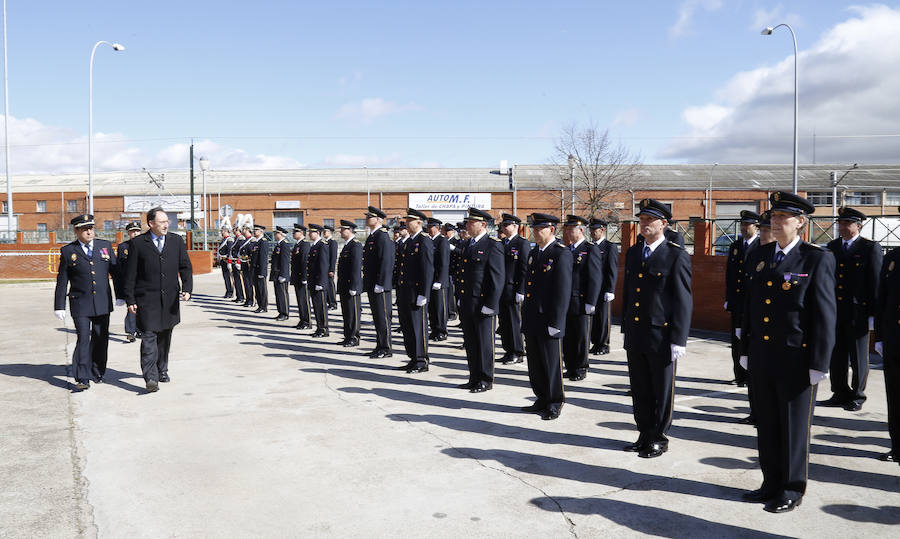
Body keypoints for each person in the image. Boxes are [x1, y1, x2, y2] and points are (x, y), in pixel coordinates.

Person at [739, 191, 836, 513]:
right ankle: (770, 482)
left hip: (797, 357)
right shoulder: (760, 255)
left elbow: (823, 314)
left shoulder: (816, 258)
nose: (775, 222)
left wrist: (820, 362)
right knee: (766, 423)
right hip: (763, 354)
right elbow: (751, 306)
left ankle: (792, 488)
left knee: (793, 427)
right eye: (773, 217)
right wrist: (745, 348)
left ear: (801, 223)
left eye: (783, 218)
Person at [621, 199, 692, 459]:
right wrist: (626, 327)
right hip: (637, 332)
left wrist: (679, 339)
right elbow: (630, 293)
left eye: (650, 220)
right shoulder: (634, 252)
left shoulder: (675, 254)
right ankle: (643, 433)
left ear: (664, 224)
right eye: (642, 219)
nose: (644, 224)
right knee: (640, 388)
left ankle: (658, 437)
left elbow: (683, 299)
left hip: (661, 335)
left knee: (661, 390)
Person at [123, 207, 193, 393]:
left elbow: (185, 266)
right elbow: (130, 275)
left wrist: (187, 288)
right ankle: (151, 377)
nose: (166, 224)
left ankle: (162, 369)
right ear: (151, 224)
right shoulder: (138, 243)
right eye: (161, 222)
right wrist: (130, 299)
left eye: (166, 221)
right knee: (148, 337)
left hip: (169, 299)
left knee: (164, 337)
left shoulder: (176, 241)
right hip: (147, 300)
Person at [821, 206, 882, 412]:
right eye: (841, 223)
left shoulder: (869, 248)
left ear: (858, 226)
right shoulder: (832, 246)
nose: (843, 226)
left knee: (858, 357)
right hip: (835, 311)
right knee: (836, 354)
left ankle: (857, 395)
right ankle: (839, 392)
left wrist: (873, 314)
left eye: (847, 223)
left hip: (858, 313)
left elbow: (874, 282)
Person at [54, 214, 122, 390]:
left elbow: (116, 273)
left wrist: (121, 295)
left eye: (91, 228)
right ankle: (82, 377)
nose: (89, 231)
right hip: (80, 303)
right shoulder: (68, 251)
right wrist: (59, 305)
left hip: (102, 301)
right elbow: (62, 280)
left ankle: (98, 370)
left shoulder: (104, 246)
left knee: (101, 338)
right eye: (84, 229)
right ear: (76, 231)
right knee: (83, 338)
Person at [521, 213, 572, 420]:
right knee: (535, 362)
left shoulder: (561, 253)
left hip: (549, 318)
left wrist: (556, 322)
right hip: (533, 316)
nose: (534, 232)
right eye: (533, 229)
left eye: (538, 229)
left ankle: (554, 401)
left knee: (551, 363)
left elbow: (562, 291)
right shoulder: (535, 253)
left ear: (551, 230)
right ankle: (541, 397)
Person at [457, 207, 504, 392]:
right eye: (468, 222)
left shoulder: (493, 245)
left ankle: (485, 379)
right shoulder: (469, 244)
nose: (467, 225)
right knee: (471, 342)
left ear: (483, 224)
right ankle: (473, 376)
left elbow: (496, 278)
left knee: (484, 344)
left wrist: (491, 304)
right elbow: (465, 275)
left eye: (471, 222)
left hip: (483, 304)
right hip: (468, 302)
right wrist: (460, 297)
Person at [562, 215, 602, 381]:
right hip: (567, 300)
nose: (569, 232)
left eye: (572, 229)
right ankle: (570, 366)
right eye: (567, 229)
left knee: (580, 337)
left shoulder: (589, 249)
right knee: (568, 336)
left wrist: (591, 301)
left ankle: (581, 367)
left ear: (580, 230)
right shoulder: (567, 249)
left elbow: (595, 277)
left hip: (581, 300)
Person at [874, 212, 900, 464]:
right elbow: (882, 300)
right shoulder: (892, 258)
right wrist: (880, 336)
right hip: (894, 340)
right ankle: (897, 446)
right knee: (895, 397)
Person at [395, 209, 434, 373]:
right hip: (405, 291)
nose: (406, 223)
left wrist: (424, 293)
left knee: (418, 328)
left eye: (410, 220)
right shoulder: (408, 241)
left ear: (419, 222)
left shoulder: (423, 240)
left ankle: (421, 360)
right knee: (407, 327)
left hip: (416, 292)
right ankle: (412, 357)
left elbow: (427, 269)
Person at [725, 211, 761, 389]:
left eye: (748, 224)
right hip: (737, 302)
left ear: (756, 226)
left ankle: (749, 375)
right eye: (742, 224)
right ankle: (739, 375)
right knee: (736, 340)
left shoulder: (761, 246)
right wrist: (728, 298)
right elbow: (730, 275)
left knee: (749, 339)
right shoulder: (736, 246)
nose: (744, 228)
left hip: (752, 302)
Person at [362, 206, 395, 358]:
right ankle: (379, 345)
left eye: (370, 217)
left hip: (380, 286)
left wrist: (381, 283)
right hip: (372, 284)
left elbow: (386, 262)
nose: (367, 219)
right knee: (377, 317)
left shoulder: (382, 236)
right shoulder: (372, 236)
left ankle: (386, 348)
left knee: (383, 317)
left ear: (378, 220)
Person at [497, 213, 530, 365]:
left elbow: (524, 268)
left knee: (514, 322)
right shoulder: (502, 243)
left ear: (515, 226)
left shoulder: (522, 243)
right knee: (504, 322)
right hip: (502, 289)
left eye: (506, 225)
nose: (504, 228)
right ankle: (508, 350)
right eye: (503, 225)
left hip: (513, 288)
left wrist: (521, 290)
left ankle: (517, 351)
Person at [589, 218, 618, 355]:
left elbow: (612, 269)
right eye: (591, 230)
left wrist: (610, 289)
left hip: (604, 288)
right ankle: (596, 343)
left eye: (595, 230)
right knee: (594, 318)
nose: (592, 232)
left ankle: (604, 344)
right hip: (593, 288)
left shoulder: (609, 247)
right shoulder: (591, 247)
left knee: (603, 318)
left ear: (602, 230)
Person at [337, 220, 363, 347]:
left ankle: (354, 337)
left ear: (350, 230)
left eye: (343, 229)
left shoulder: (356, 245)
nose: (341, 232)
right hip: (344, 285)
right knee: (346, 312)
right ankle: (348, 335)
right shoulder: (347, 245)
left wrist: (354, 285)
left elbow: (356, 268)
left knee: (353, 312)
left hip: (351, 285)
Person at [117, 221, 142, 342]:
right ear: (128, 233)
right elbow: (119, 267)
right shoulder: (123, 247)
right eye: (132, 231)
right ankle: (131, 332)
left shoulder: (145, 245)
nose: (135, 233)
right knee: (131, 307)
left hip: (142, 282)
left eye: (137, 231)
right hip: (129, 283)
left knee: (142, 308)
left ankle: (140, 330)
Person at [426, 217, 450, 342]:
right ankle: (434, 329)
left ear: (437, 228)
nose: (429, 229)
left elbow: (444, 263)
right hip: (430, 280)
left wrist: (440, 280)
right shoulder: (429, 241)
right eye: (428, 227)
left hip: (439, 280)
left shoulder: (442, 241)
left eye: (431, 227)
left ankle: (442, 331)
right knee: (432, 307)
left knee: (440, 307)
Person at [306, 224, 330, 337]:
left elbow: (323, 266)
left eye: (312, 232)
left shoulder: (322, 246)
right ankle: (319, 327)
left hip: (319, 282)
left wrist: (321, 282)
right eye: (310, 232)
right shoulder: (314, 246)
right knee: (316, 306)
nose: (310, 234)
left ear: (318, 233)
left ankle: (324, 329)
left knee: (321, 307)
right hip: (313, 281)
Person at [290, 224, 311, 330]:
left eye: (295, 232)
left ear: (301, 233)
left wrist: (304, 277)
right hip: (297, 277)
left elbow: (304, 262)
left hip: (302, 277)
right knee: (300, 299)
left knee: (304, 300)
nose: (293, 234)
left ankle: (307, 321)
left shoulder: (305, 244)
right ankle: (302, 319)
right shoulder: (297, 245)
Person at [270, 226, 291, 321]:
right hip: (276, 273)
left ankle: (285, 313)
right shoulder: (279, 244)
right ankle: (280, 312)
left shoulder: (284, 245)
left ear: (281, 234)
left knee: (283, 294)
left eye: (276, 233)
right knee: (278, 294)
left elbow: (285, 261)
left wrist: (283, 275)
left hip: (281, 274)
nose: (275, 235)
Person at [250, 224, 269, 313]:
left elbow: (263, 258)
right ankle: (260, 305)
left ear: (261, 231)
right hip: (254, 269)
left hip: (260, 269)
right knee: (257, 288)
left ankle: (263, 306)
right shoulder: (256, 242)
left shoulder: (263, 242)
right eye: (254, 230)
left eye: (256, 230)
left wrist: (262, 272)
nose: (254, 231)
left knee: (262, 289)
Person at [443, 223, 460, 322]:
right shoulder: (444, 241)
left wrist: (453, 248)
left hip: (453, 271)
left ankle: (452, 312)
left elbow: (460, 253)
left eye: (448, 231)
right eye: (445, 231)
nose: (446, 233)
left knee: (452, 294)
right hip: (446, 270)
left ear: (452, 231)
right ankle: (448, 311)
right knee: (447, 293)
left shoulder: (456, 242)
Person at [238, 226, 255, 307]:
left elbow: (252, 253)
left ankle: (252, 300)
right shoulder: (245, 241)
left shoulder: (252, 240)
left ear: (248, 230)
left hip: (249, 264)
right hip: (244, 264)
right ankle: (248, 299)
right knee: (246, 283)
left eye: (244, 229)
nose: (242, 231)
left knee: (250, 283)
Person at [230, 225, 246, 304]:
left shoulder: (241, 239)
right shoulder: (236, 238)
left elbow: (241, 251)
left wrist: (239, 262)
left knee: (240, 280)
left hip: (238, 261)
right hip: (234, 261)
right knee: (236, 280)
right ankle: (238, 296)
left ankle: (242, 297)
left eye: (234, 229)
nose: (232, 231)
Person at [217, 226, 235, 299]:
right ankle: (228, 290)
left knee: (229, 277)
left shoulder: (229, 240)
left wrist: (229, 262)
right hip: (223, 260)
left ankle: (230, 292)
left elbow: (229, 251)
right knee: (225, 277)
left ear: (226, 231)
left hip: (226, 260)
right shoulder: (223, 240)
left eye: (222, 231)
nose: (222, 233)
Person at [324, 225, 339, 310]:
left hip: (329, 268)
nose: (324, 233)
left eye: (326, 231)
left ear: (330, 232)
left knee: (330, 285)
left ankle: (333, 303)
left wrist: (331, 269)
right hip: (324, 268)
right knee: (326, 285)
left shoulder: (332, 242)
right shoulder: (325, 242)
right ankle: (328, 302)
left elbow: (333, 257)